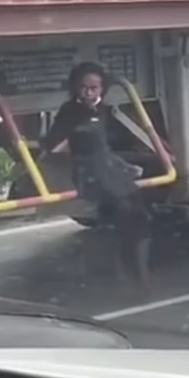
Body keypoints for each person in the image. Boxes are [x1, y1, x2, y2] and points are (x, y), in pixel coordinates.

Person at [41, 62, 152, 289]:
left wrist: (125, 165)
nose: (89, 93)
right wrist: (72, 140)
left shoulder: (103, 110)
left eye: (94, 88)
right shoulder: (69, 112)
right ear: (75, 88)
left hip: (106, 167)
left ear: (102, 89)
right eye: (84, 88)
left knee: (136, 216)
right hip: (86, 170)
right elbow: (53, 146)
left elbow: (104, 147)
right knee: (122, 214)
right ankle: (127, 270)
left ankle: (136, 269)